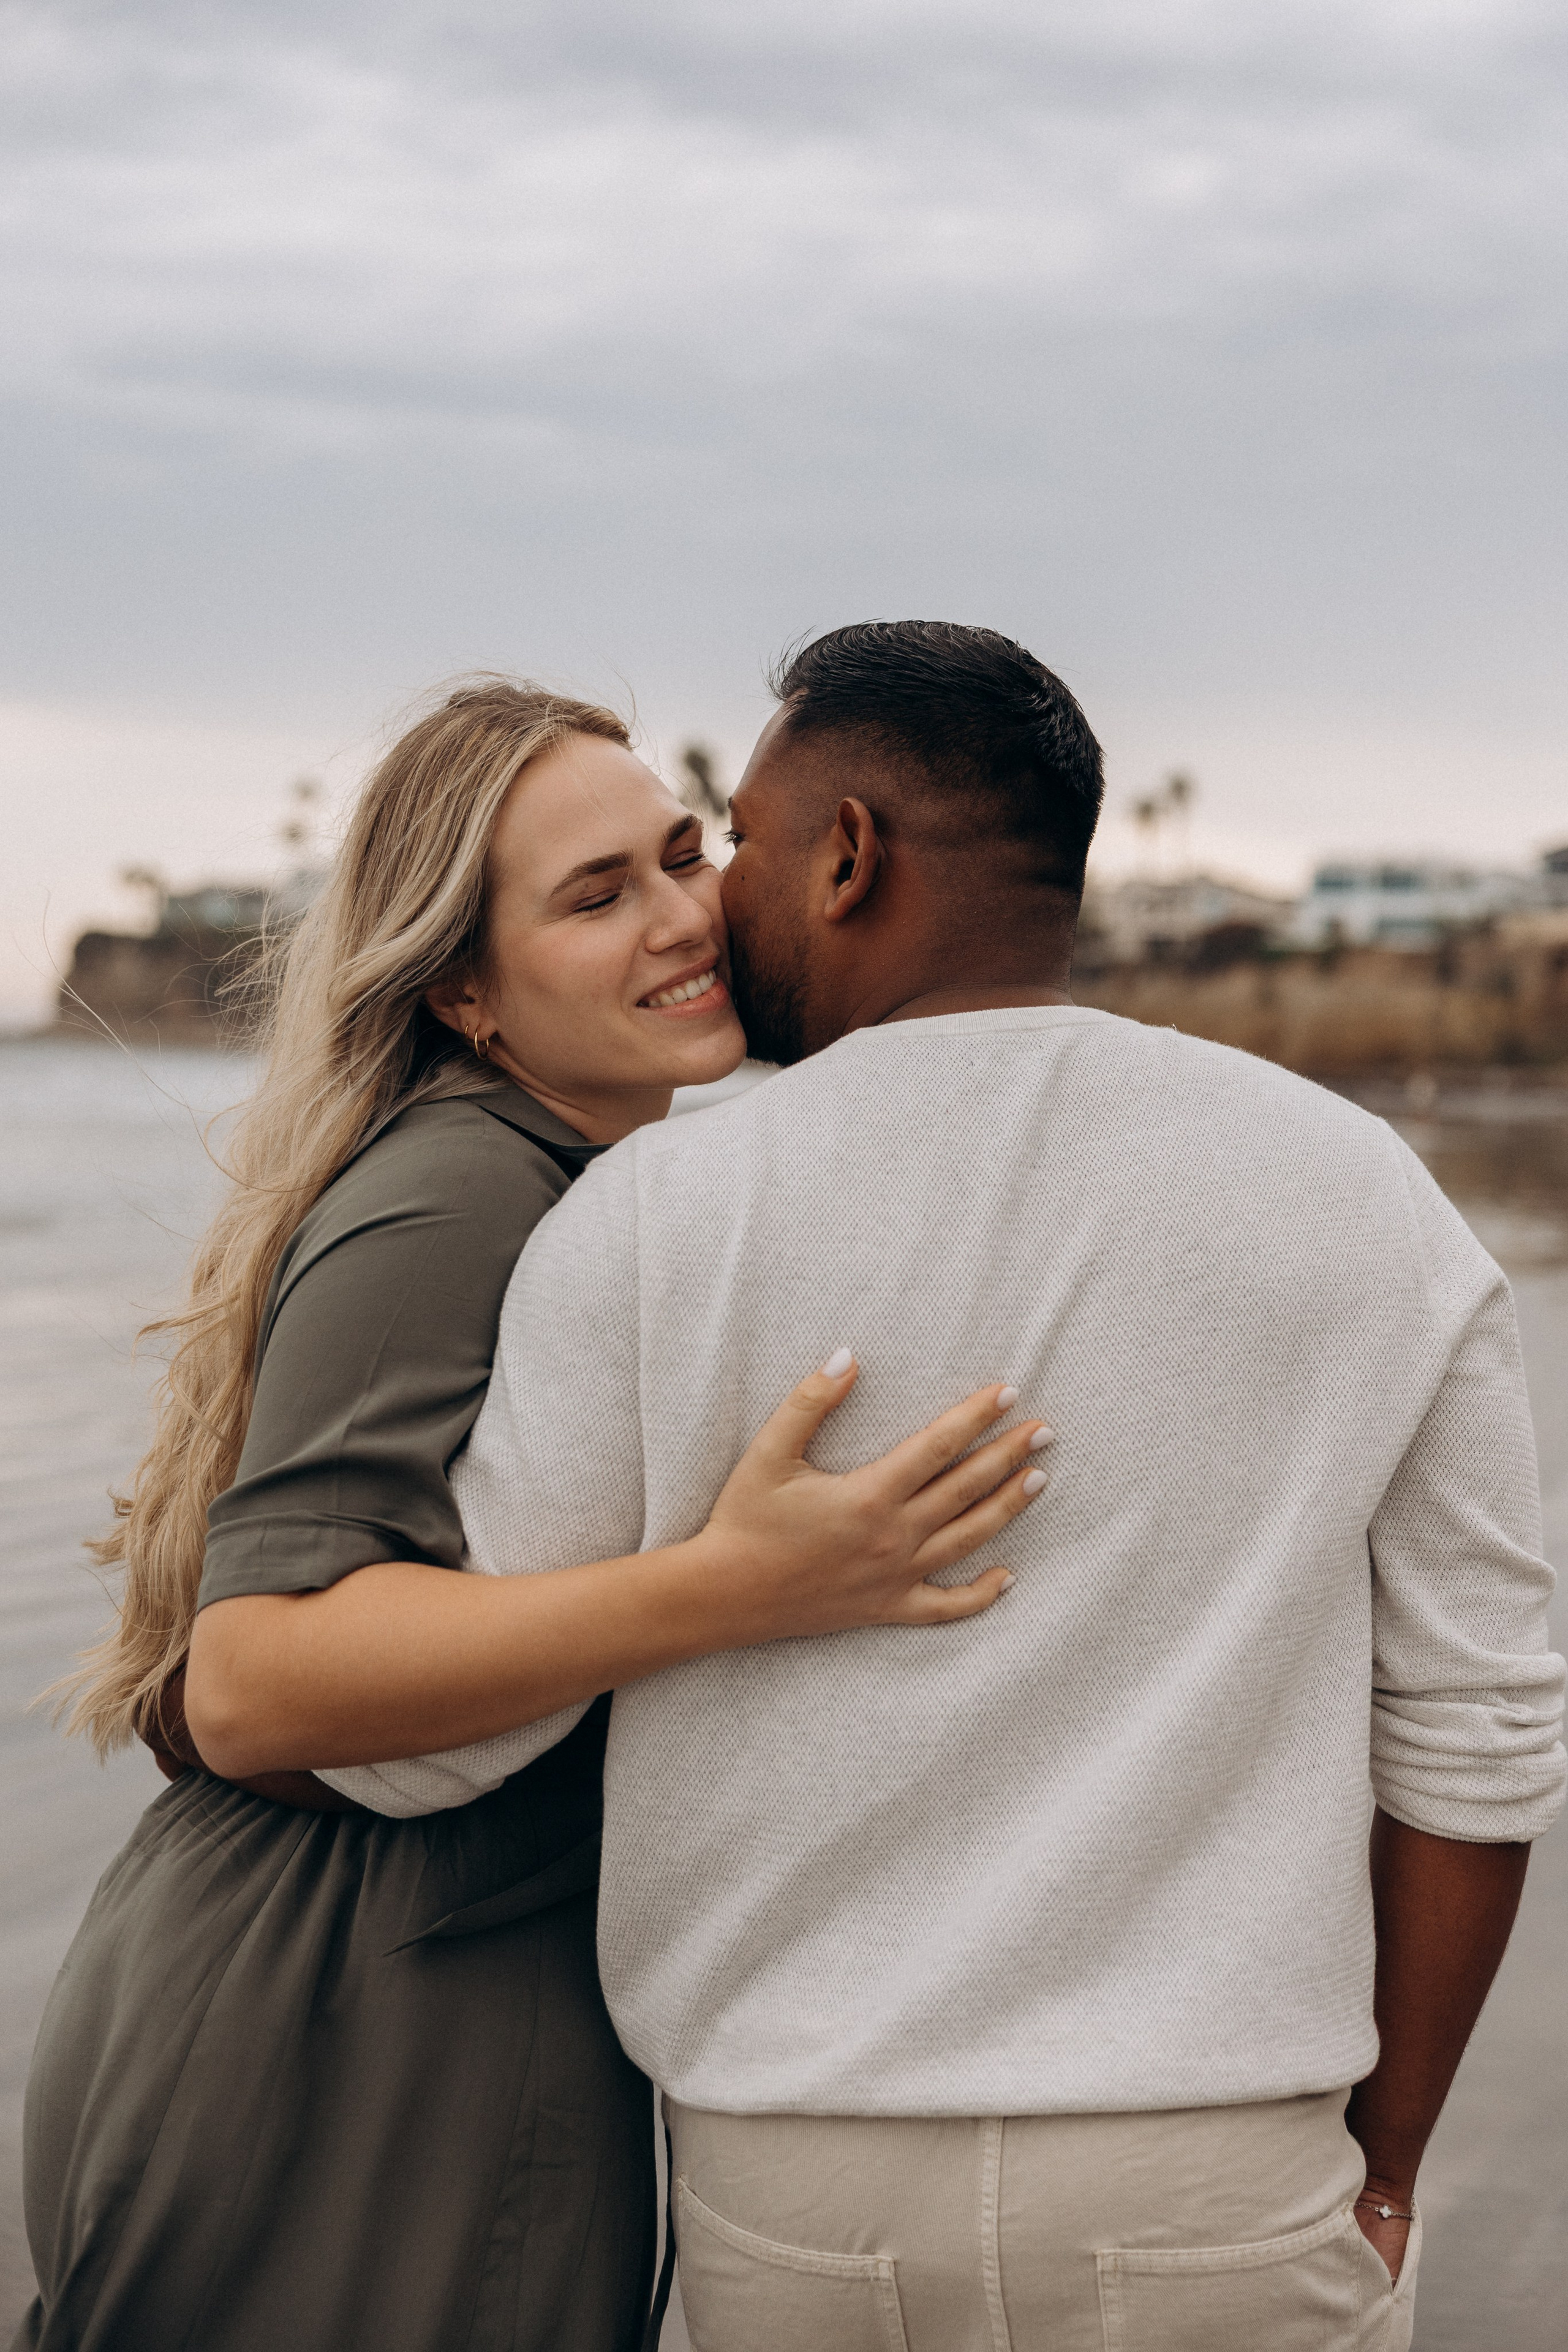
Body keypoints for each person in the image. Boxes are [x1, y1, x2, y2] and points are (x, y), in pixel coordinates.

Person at [358, 624, 1566, 2352]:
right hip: (1215, 2180)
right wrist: (1387, 2165)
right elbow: (1477, 1740)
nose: (713, 907)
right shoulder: (1361, 1195)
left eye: (743, 849)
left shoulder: (646, 1222)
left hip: (795, 2195)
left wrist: (233, 1689)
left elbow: (444, 1741)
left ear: (849, 858)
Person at [17, 677, 1052, 2352]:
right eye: (596, 896)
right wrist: (739, 1586)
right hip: (341, 2005)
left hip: (433, 1958)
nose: (681, 918)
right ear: (469, 996)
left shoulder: (587, 1185)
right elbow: (255, 1679)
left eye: (680, 855)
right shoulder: (466, 1187)